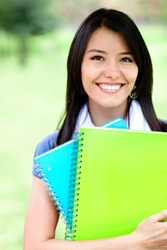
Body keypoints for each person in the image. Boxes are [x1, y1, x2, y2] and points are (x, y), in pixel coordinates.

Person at [23, 8, 167, 250]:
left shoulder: (163, 137)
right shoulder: (52, 148)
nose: (112, 73)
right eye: (98, 58)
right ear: (77, 68)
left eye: (126, 59)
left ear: (139, 71)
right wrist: (135, 243)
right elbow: (35, 245)